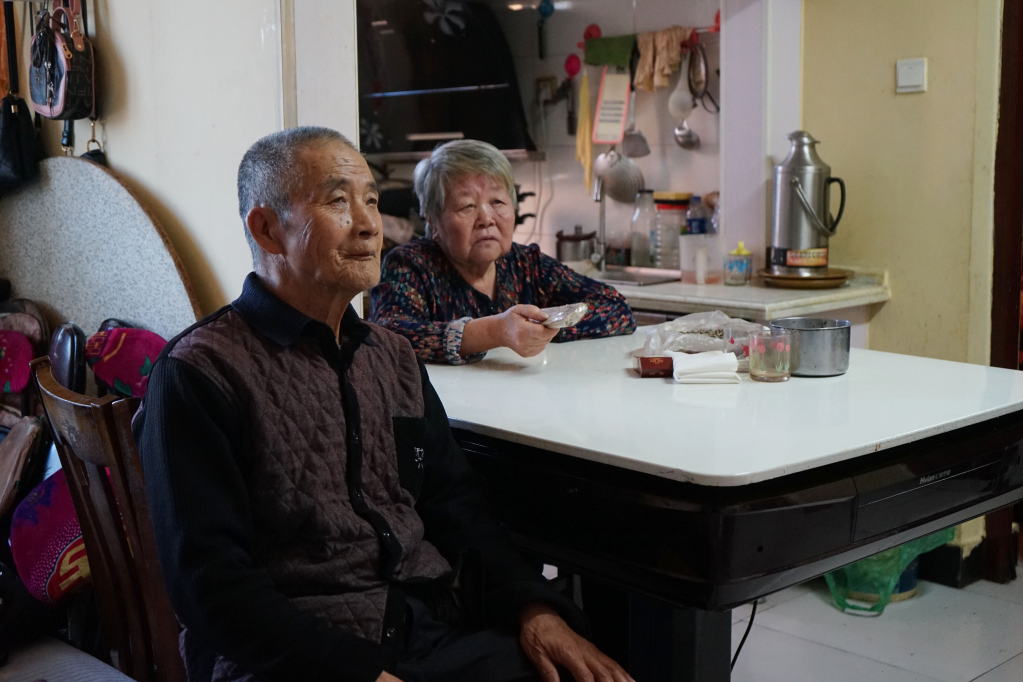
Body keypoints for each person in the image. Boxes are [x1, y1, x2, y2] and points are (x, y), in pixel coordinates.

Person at [134, 127, 633, 682]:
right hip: (297, 658)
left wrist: (534, 609)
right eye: (338, 201)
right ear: (268, 229)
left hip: (428, 629)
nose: (369, 223)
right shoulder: (199, 372)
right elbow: (210, 587)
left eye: (371, 199)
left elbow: (457, 510)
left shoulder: (392, 357)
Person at [370, 140, 635, 365]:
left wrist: (544, 330)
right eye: (467, 206)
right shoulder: (409, 265)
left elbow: (616, 308)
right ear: (433, 220)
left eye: (497, 201)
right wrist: (496, 332)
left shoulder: (526, 263)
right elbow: (390, 337)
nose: (487, 218)